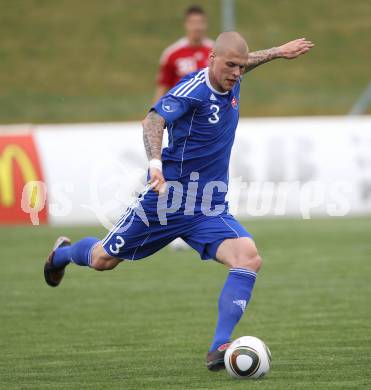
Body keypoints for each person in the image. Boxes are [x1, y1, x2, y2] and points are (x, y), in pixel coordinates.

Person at [44, 32, 314, 371]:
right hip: (165, 201)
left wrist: (278, 52)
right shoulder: (193, 90)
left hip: (208, 205)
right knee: (102, 260)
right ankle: (62, 254)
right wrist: (155, 164)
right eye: (230, 65)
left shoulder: (234, 78)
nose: (237, 73)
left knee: (248, 257)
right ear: (212, 59)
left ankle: (219, 347)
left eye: (241, 67)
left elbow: (245, 60)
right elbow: (154, 120)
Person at [153, 5, 213, 103]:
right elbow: (163, 88)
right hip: (181, 111)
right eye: (193, 23)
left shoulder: (215, 52)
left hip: (209, 111)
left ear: (206, 24)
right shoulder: (172, 53)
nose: (197, 27)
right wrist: (154, 114)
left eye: (200, 22)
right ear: (186, 24)